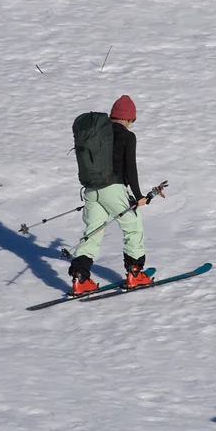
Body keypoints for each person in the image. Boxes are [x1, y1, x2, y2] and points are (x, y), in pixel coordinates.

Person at [68, 95, 153, 295]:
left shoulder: (99, 134)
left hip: (90, 189)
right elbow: (130, 168)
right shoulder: (127, 136)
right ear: (129, 119)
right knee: (133, 226)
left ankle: (80, 278)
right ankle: (135, 274)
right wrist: (139, 195)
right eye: (132, 120)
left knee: (93, 232)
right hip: (112, 189)